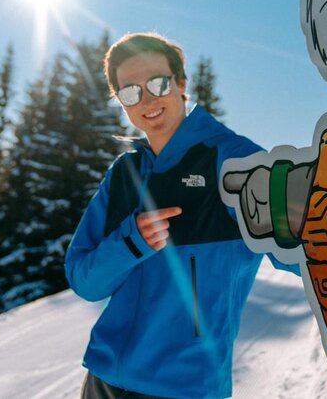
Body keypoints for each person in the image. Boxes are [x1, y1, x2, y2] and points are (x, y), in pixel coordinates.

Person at [65, 32, 294, 399]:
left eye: (158, 83)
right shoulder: (126, 173)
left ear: (181, 83)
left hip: (184, 389)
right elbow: (84, 280)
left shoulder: (232, 160)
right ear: (121, 102)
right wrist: (132, 241)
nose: (148, 100)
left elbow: (301, 252)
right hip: (104, 381)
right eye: (130, 92)